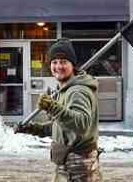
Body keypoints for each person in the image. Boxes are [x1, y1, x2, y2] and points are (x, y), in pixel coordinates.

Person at [14, 38, 102, 182]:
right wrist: (32, 128)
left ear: (72, 65)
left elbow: (81, 124)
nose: (58, 66)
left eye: (63, 62)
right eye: (54, 62)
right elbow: (62, 128)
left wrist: (53, 107)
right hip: (68, 161)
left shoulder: (77, 91)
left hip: (78, 165)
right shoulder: (64, 89)